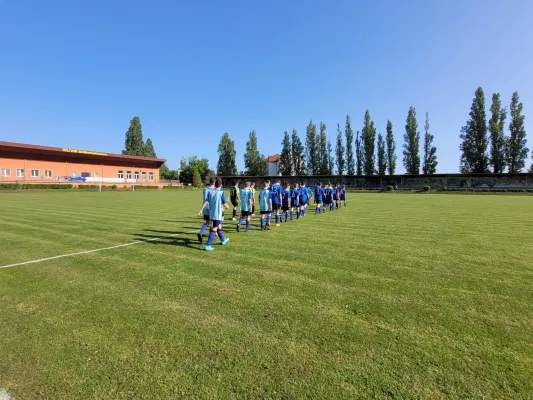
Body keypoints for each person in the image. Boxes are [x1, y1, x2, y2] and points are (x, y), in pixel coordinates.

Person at [198, 177, 230, 251]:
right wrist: (227, 207)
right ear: (221, 185)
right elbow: (224, 203)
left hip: (211, 213)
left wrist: (201, 210)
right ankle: (208, 245)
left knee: (218, 226)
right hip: (217, 214)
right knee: (214, 229)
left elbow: (206, 201)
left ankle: (223, 240)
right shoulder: (221, 192)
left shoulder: (211, 192)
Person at [197, 177, 216, 243]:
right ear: (214, 182)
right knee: (212, 222)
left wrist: (201, 209)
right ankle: (210, 238)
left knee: (207, 222)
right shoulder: (215, 190)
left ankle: (201, 232)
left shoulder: (205, 189)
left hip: (205, 207)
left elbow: (205, 199)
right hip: (212, 207)